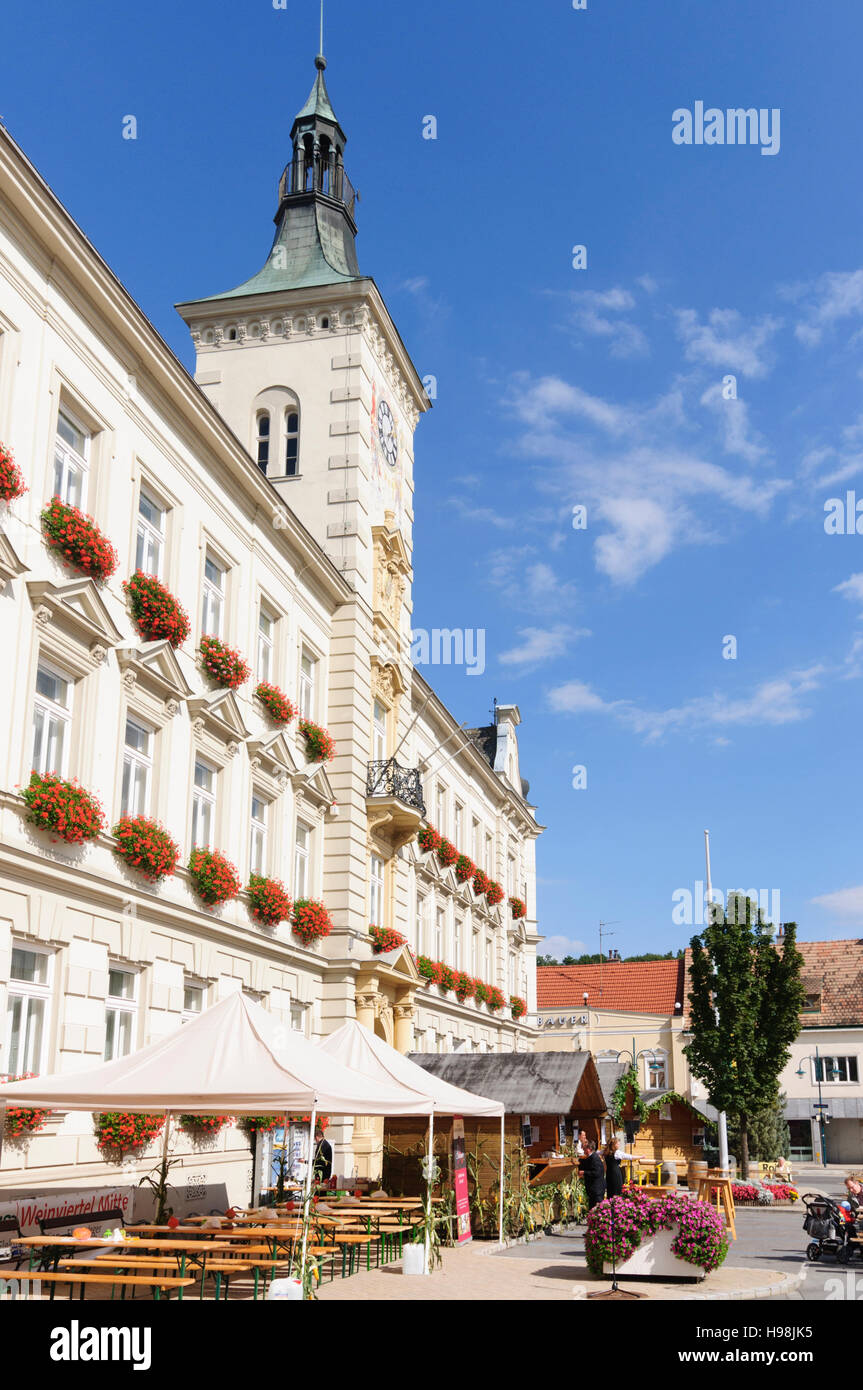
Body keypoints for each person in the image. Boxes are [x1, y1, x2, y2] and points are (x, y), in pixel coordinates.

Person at [582, 1140, 606, 1209]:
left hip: (597, 1190)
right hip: (594, 1190)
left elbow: (597, 1173)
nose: (583, 1150)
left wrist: (584, 1172)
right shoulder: (592, 1157)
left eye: (584, 1148)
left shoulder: (595, 1158)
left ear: (588, 1149)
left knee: (597, 1210)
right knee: (593, 1210)